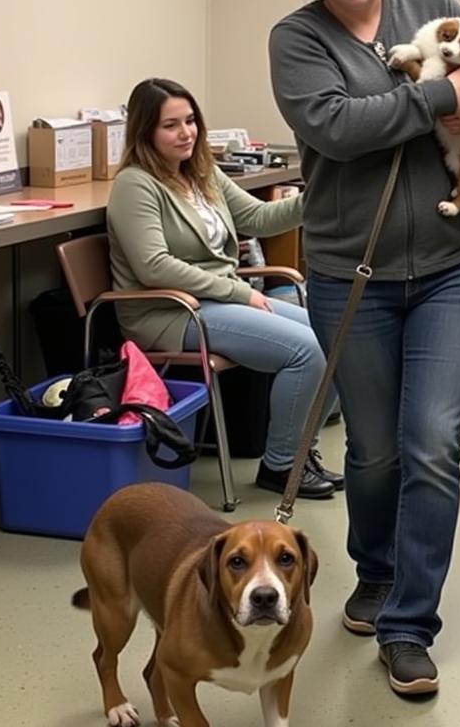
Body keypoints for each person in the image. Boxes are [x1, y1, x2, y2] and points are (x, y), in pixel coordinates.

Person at [269, 0, 460, 697]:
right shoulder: (297, 40)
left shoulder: (438, 5)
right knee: (374, 453)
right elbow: (337, 129)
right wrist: (441, 95)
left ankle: (411, 624)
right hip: (352, 275)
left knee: (432, 446)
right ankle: (373, 572)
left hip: (454, 266)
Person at [106, 77, 341, 500]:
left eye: (191, 121)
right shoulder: (135, 185)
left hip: (215, 298)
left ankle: (300, 454)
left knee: (339, 338)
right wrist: (240, 293)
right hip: (169, 312)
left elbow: (259, 218)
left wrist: (322, 192)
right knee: (308, 351)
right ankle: (281, 465)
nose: (186, 133)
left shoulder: (202, 172)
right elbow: (154, 265)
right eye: (170, 125)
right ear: (144, 132)